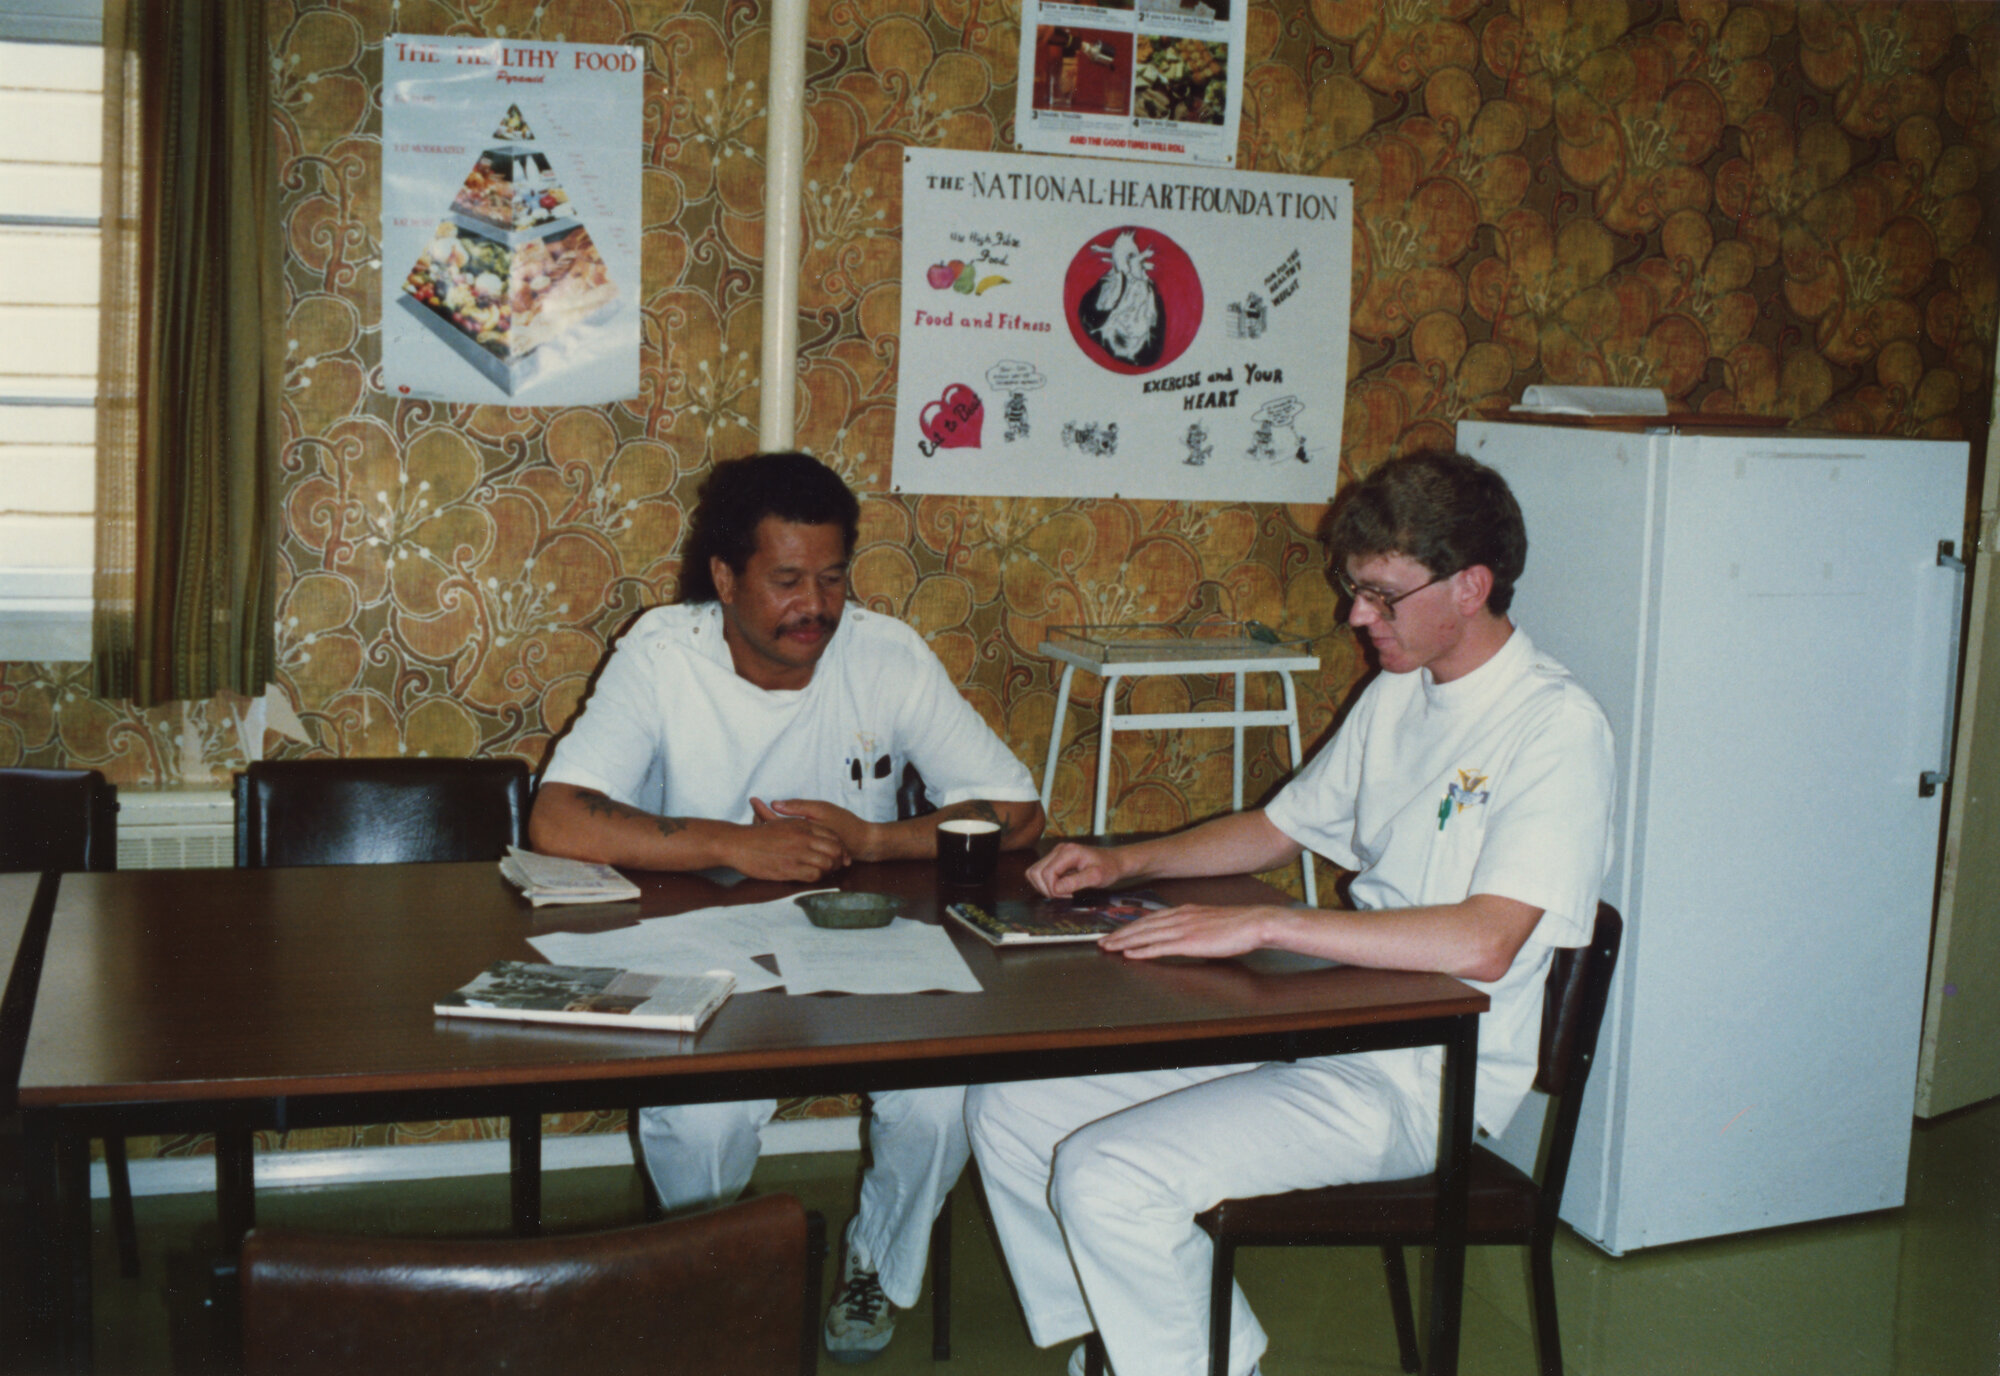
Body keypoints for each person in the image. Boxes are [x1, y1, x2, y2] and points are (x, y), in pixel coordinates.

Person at [964, 449, 1615, 1376]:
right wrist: (1126, 857)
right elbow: (1280, 826)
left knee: (1108, 1178)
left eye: (1383, 595)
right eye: (1355, 590)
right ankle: (1147, 1348)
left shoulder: (1555, 728)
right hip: (1327, 1024)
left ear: (1471, 586)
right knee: (1012, 1106)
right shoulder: (1400, 692)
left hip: (1426, 1077)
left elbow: (1487, 938)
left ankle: (1184, 1359)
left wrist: (1267, 925)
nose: (1358, 616)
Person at [531, 451, 1044, 1363]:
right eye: (788, 580)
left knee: (941, 1096)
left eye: (835, 576)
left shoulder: (884, 654)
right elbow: (559, 818)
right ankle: (711, 1277)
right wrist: (730, 842)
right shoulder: (663, 651)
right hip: (700, 940)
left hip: (865, 944)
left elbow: (1016, 813)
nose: (816, 605)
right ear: (725, 579)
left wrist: (875, 838)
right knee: (702, 1117)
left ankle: (876, 1271)